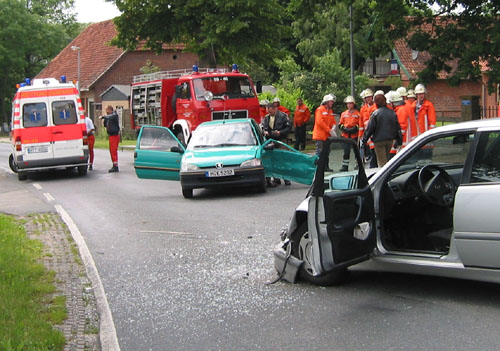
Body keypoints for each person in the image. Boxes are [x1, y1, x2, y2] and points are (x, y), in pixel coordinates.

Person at [362, 94, 402, 167]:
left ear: (376, 103)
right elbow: (397, 127)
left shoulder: (375, 114)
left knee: (382, 162)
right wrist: (399, 140)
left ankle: (383, 176)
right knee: (386, 159)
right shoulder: (392, 113)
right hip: (389, 140)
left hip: (378, 140)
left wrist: (364, 140)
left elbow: (370, 128)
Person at [262, 102, 292, 186]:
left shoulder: (283, 116)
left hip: (281, 140)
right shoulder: (266, 118)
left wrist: (280, 132)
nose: (269, 113)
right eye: (268, 112)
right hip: (271, 140)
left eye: (271, 112)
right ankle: (276, 178)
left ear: (275, 109)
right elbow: (264, 127)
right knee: (273, 160)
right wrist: (265, 132)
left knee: (283, 159)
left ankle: (286, 179)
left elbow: (289, 127)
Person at [339, 95, 360, 171]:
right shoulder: (343, 114)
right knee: (346, 152)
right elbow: (340, 124)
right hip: (345, 135)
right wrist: (344, 129)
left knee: (356, 151)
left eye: (350, 103)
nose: (349, 105)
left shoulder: (358, 114)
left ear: (353, 104)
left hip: (354, 135)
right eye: (347, 104)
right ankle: (344, 166)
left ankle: (357, 165)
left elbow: (360, 124)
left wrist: (355, 128)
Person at [312, 94, 336, 158]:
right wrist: (329, 130)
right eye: (331, 101)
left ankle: (325, 167)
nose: (332, 103)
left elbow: (333, 121)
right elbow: (320, 122)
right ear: (326, 102)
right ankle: (318, 167)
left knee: (327, 152)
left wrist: (333, 127)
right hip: (320, 136)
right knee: (320, 152)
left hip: (327, 136)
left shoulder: (330, 111)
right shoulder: (320, 110)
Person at [100, 105, 120, 172]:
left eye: (107, 110)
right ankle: (114, 163)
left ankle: (115, 165)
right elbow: (106, 125)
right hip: (111, 135)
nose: (106, 111)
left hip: (115, 135)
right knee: (111, 150)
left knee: (113, 150)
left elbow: (111, 116)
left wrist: (104, 117)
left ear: (110, 110)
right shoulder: (108, 118)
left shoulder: (114, 115)